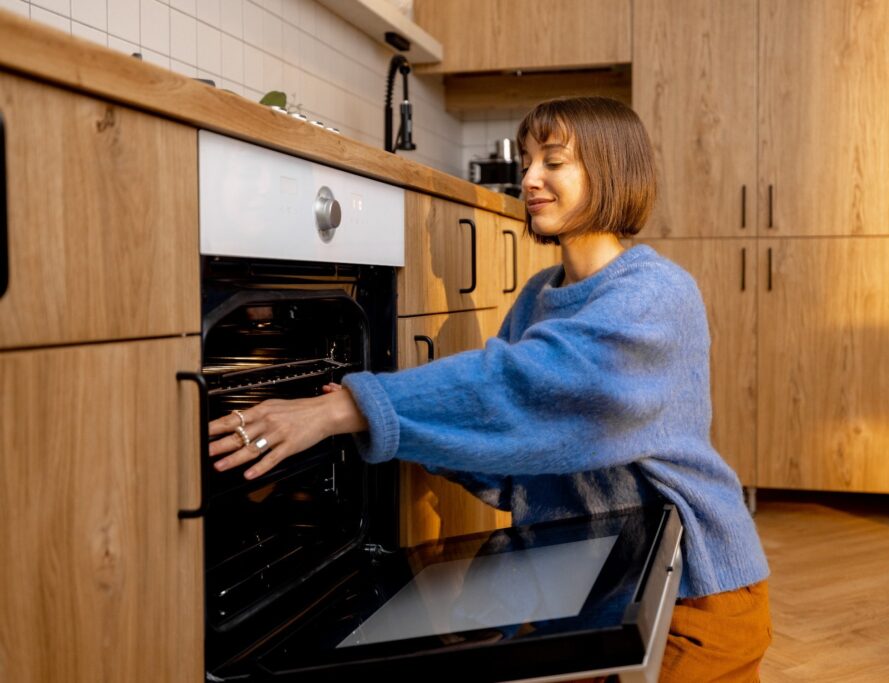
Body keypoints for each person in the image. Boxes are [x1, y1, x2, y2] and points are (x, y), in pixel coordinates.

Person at [208, 96, 772, 681]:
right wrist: (395, 427)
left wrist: (355, 408)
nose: (529, 179)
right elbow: (505, 456)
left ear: (611, 171)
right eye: (527, 162)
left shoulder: (658, 296)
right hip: (581, 581)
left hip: (690, 595)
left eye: (554, 162)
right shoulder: (537, 296)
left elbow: (527, 392)